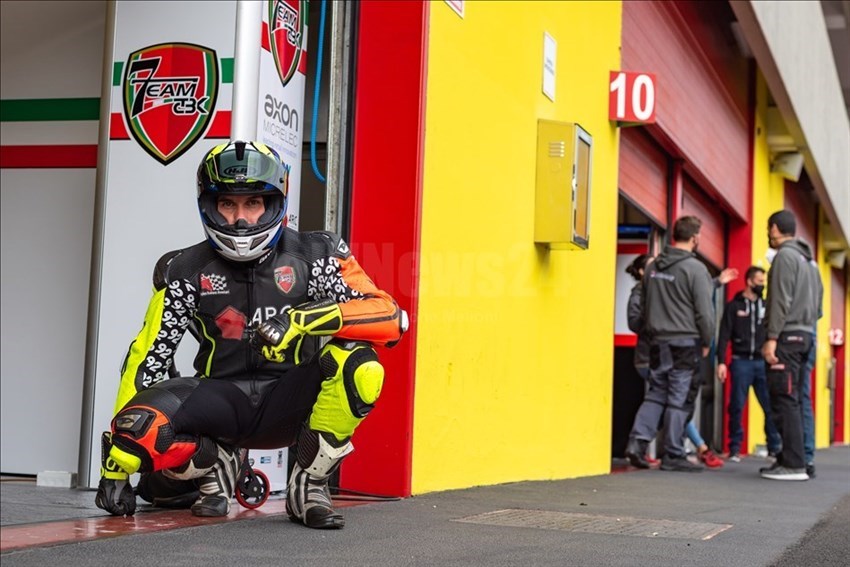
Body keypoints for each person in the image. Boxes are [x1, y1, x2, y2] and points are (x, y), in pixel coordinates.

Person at [95, 140, 406, 528]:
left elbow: (390, 316)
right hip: (219, 404)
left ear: (274, 204)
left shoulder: (317, 253)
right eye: (227, 204)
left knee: (362, 365)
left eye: (253, 203)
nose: (240, 219)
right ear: (209, 205)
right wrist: (118, 462)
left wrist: (304, 320)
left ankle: (308, 486)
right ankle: (214, 462)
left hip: (290, 403)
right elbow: (147, 356)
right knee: (136, 427)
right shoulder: (184, 268)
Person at [625, 216, 715, 472]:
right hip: (685, 342)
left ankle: (637, 443)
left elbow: (644, 308)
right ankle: (674, 453)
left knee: (656, 393)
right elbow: (705, 312)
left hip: (657, 342)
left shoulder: (653, 268)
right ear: (695, 238)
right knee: (679, 397)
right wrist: (707, 340)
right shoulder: (695, 269)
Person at [759, 210, 822, 481]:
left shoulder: (785, 256)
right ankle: (791, 458)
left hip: (787, 336)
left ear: (774, 229)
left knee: (783, 398)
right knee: (795, 399)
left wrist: (772, 338)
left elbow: (779, 300)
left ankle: (793, 465)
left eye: (767, 228)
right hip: (806, 335)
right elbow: (818, 308)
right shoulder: (810, 261)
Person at [716, 266, 782, 462]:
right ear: (749, 281)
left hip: (763, 363)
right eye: (759, 282)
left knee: (770, 405)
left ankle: (773, 448)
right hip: (740, 362)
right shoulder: (734, 306)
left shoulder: (766, 305)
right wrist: (721, 362)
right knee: (736, 405)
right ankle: (734, 448)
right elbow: (724, 335)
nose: (762, 286)